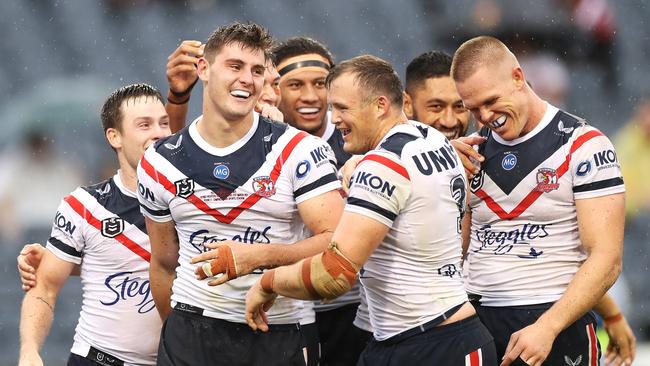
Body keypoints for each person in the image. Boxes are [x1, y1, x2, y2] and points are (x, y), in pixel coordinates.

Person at [245, 54, 497, 365]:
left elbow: (334, 276)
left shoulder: (383, 164)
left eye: (342, 108)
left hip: (427, 342)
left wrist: (267, 282)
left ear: (380, 105)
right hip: (435, 334)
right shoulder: (433, 139)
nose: (334, 118)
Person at [137, 22, 344, 366]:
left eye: (257, 70)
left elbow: (336, 240)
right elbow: (163, 262)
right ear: (203, 68)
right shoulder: (159, 161)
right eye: (235, 66)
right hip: (192, 329)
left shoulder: (298, 149)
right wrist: (174, 330)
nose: (247, 79)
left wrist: (257, 257)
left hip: (279, 328)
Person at [451, 36, 625, 366]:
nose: (485, 116)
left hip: (553, 321)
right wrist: (447, 182)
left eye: (491, 101)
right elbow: (452, 251)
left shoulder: (584, 145)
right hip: (476, 321)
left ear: (518, 77)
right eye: (472, 108)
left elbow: (606, 259)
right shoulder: (469, 152)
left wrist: (548, 327)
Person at [18, 83, 171, 366]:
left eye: (164, 123)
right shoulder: (83, 206)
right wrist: (30, 351)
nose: (158, 133)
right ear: (115, 136)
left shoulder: (193, 203)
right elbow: (45, 288)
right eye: (144, 125)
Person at [271, 36, 371, 365]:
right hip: (285, 313)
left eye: (320, 84)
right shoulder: (257, 141)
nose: (311, 96)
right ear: (273, 88)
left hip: (353, 310)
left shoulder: (360, 137)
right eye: (296, 85)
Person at [403, 50, 471, 140]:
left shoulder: (485, 151)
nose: (449, 122)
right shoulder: (385, 153)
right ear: (407, 105)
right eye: (437, 106)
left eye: (459, 106)